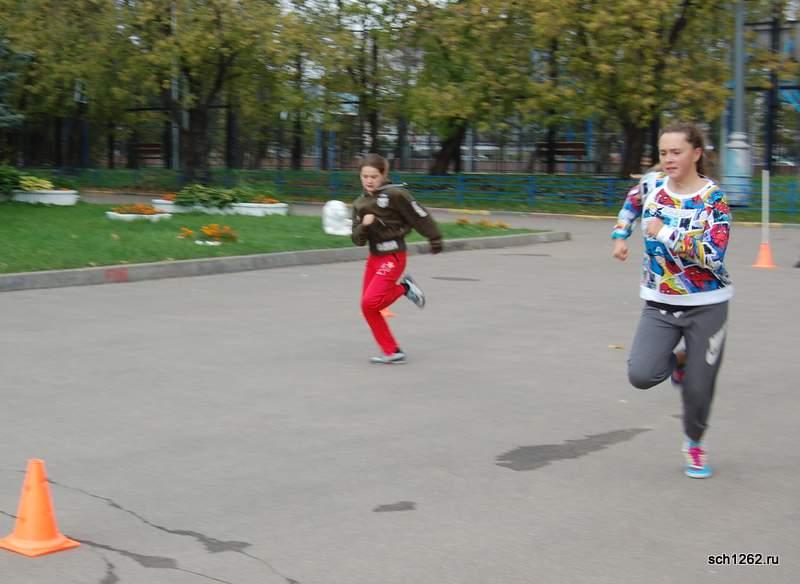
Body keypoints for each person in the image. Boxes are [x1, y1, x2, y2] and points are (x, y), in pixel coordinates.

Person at [611, 122, 733, 478]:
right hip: (659, 301)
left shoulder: (714, 199)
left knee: (698, 388)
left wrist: (665, 232)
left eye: (676, 152)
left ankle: (694, 443)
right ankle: (678, 361)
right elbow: (631, 204)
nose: (668, 159)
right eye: (663, 152)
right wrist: (620, 235)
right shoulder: (651, 185)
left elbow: (713, 254)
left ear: (696, 153)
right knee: (641, 374)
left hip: (708, 303)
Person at [351, 154, 443, 364]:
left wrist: (434, 238)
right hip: (374, 258)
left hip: (393, 256)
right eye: (365, 176)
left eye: (374, 176)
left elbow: (419, 215)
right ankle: (392, 351)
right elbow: (357, 240)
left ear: (384, 174)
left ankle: (404, 288)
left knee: (370, 301)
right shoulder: (359, 203)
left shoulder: (396, 194)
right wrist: (364, 226)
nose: (369, 180)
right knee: (368, 308)